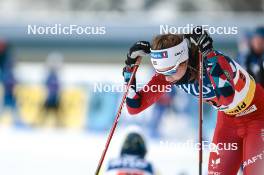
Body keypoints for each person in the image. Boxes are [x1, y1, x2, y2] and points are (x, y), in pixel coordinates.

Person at [122, 26, 264, 175]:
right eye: (160, 72)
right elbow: (134, 107)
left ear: (184, 61)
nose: (166, 77)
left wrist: (209, 54)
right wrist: (130, 68)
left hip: (258, 115)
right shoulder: (169, 74)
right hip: (228, 121)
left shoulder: (213, 61)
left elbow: (227, 97)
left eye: (171, 70)